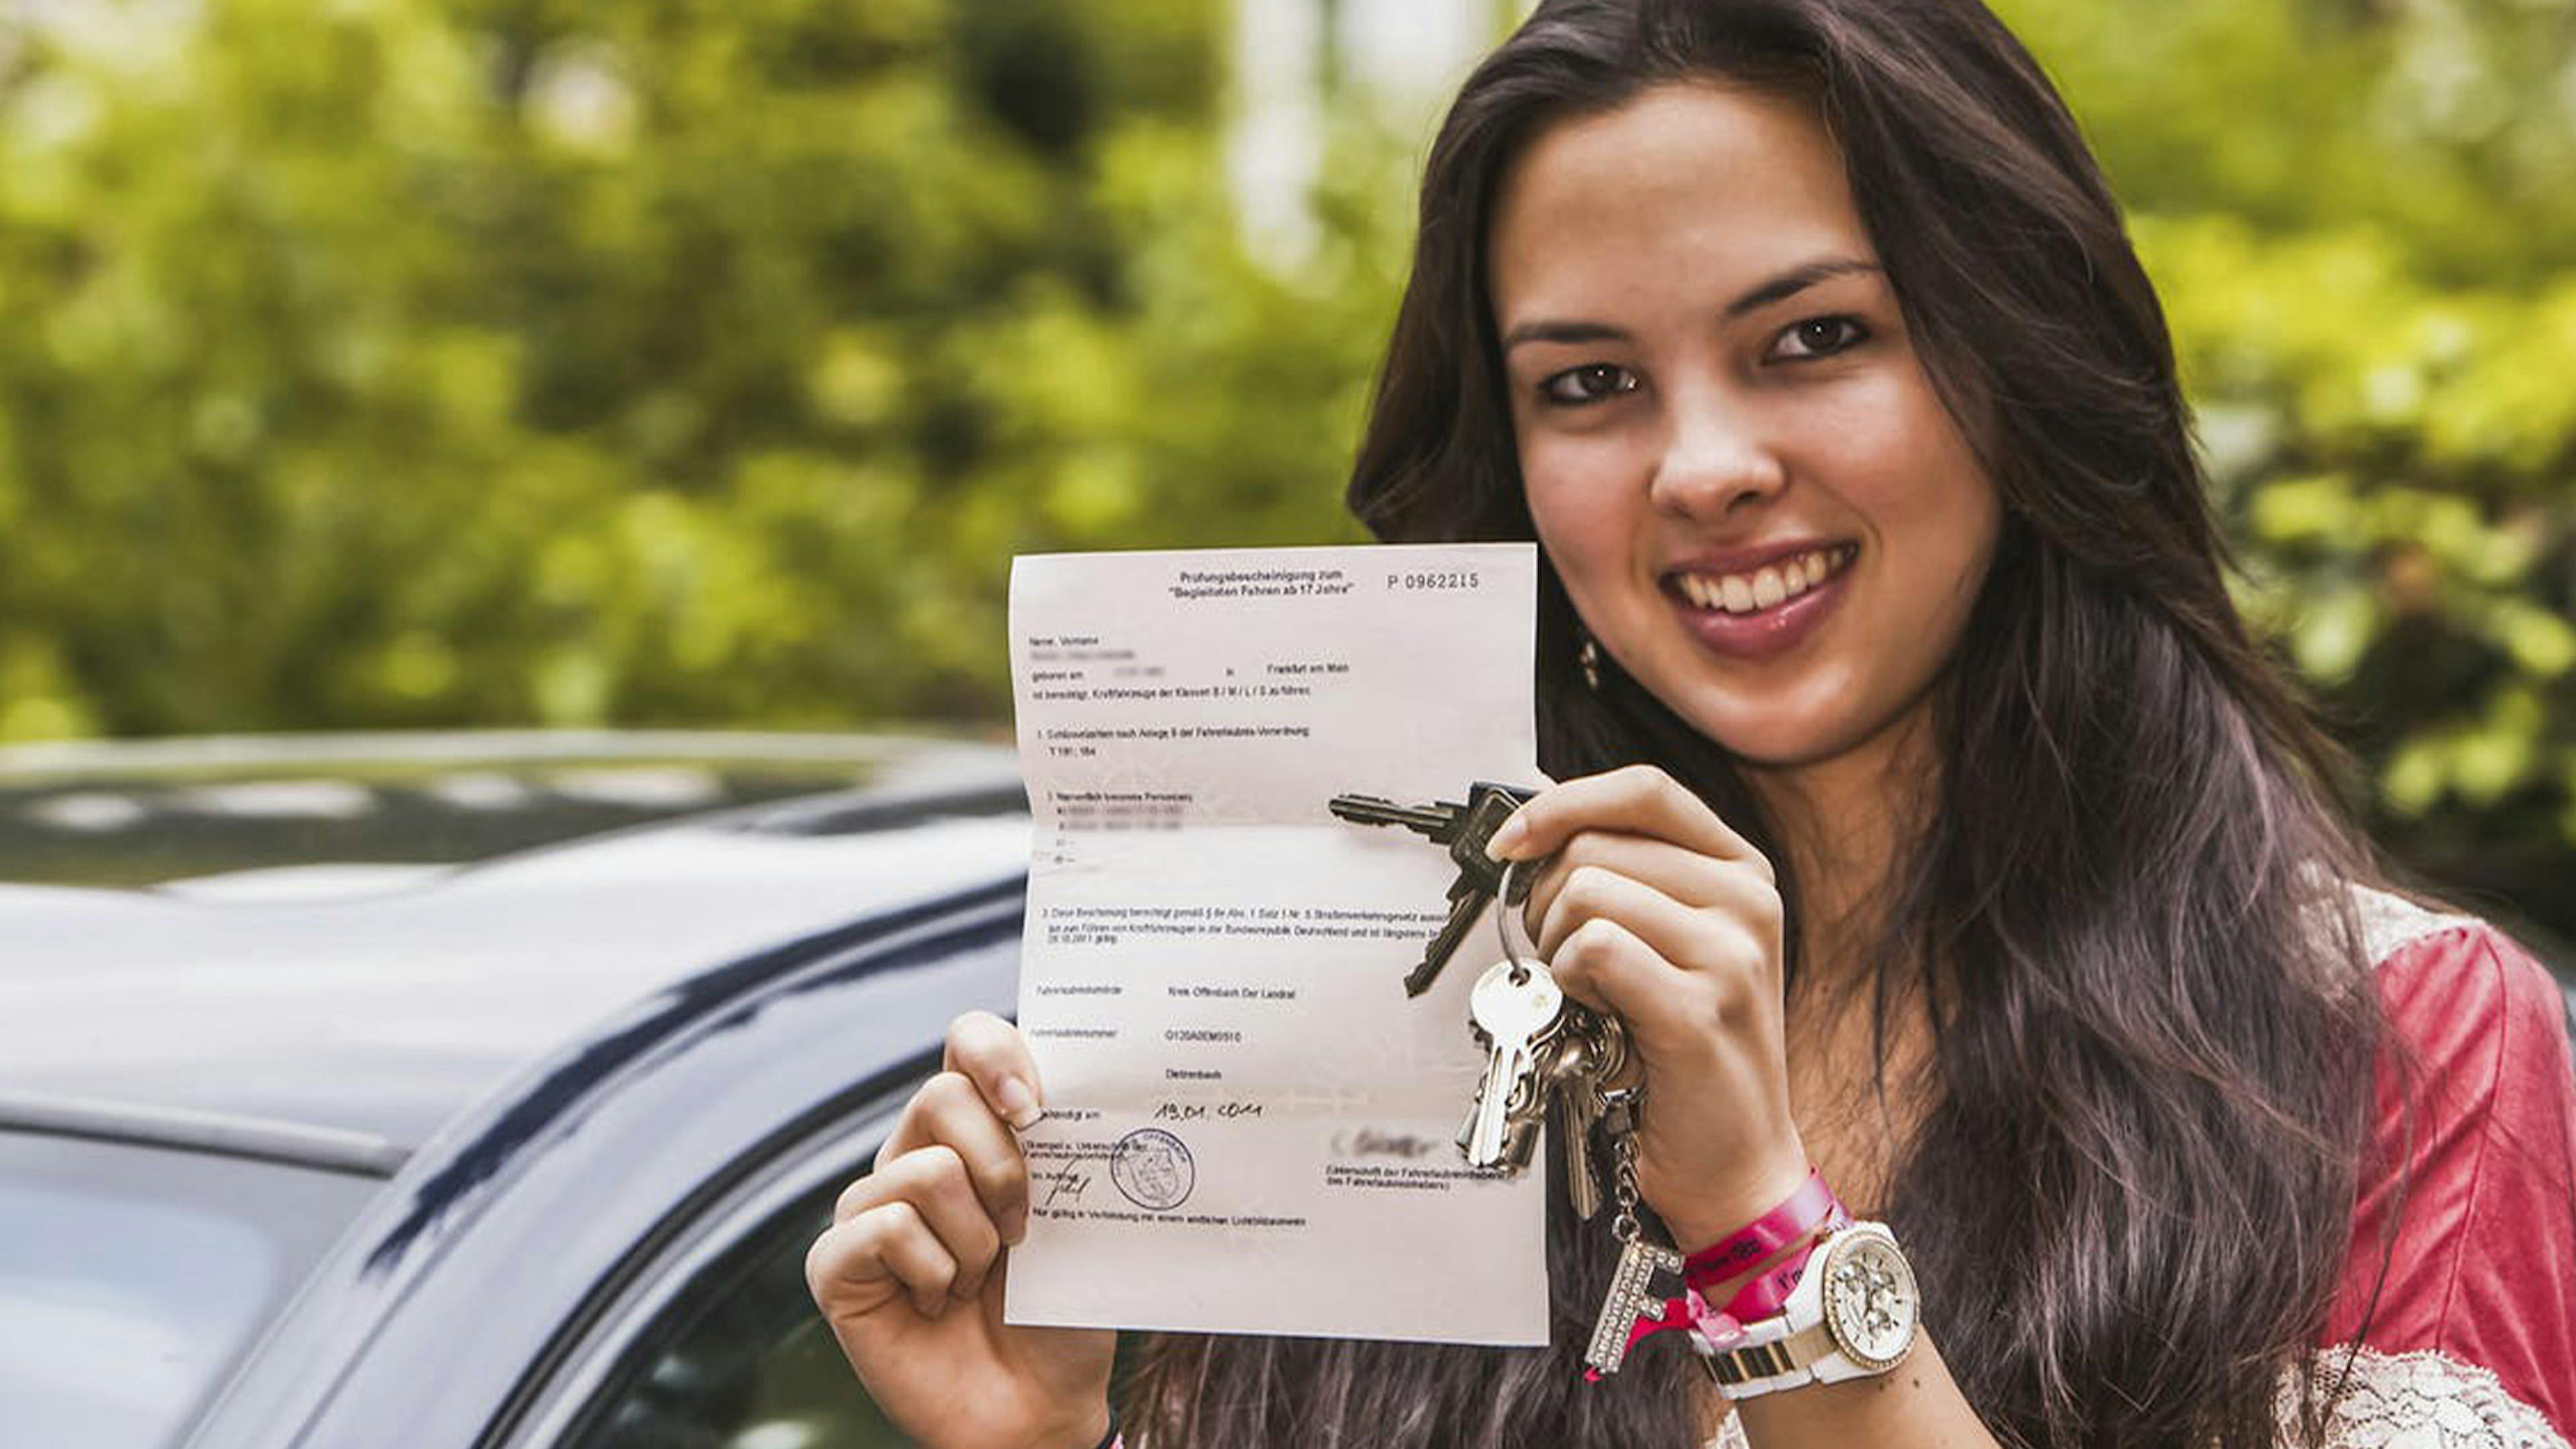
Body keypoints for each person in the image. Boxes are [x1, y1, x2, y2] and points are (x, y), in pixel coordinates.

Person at [805, 0, 2576, 1444]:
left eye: (1812, 340)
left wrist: (1761, 1232)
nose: (1706, 468)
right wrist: (1039, 1444)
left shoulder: (2398, 1057)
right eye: (1589, 385)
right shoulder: (1387, 1020)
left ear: (2017, 350)